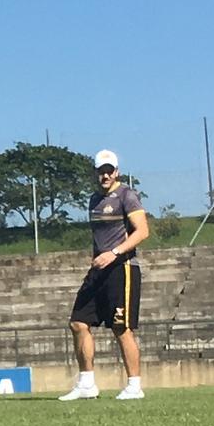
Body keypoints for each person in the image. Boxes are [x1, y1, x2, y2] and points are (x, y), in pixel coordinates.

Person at [59, 148, 149, 401]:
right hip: (98, 270)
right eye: (101, 171)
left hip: (123, 268)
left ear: (117, 171)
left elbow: (142, 231)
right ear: (96, 173)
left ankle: (134, 385)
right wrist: (97, 257)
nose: (105, 175)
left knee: (121, 328)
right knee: (78, 322)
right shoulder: (93, 201)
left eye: (110, 171)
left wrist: (114, 252)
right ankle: (86, 383)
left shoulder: (127, 196)